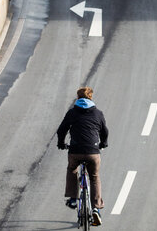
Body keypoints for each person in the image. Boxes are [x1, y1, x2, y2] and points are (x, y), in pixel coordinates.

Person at [57, 86, 109, 226]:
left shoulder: (72, 113)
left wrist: (61, 143)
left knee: (72, 169)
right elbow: (104, 131)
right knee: (94, 177)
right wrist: (103, 143)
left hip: (75, 151)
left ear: (78, 98)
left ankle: (74, 198)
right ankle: (96, 209)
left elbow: (61, 130)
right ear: (91, 97)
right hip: (93, 151)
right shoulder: (98, 113)